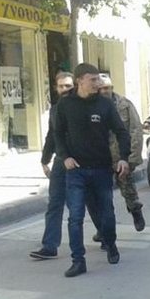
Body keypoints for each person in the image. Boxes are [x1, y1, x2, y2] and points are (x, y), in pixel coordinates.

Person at [52, 63, 131, 277]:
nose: (97, 83)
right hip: (75, 170)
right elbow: (57, 133)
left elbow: (121, 132)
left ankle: (111, 244)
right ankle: (78, 260)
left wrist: (123, 158)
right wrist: (64, 156)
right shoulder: (65, 104)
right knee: (75, 216)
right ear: (80, 80)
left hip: (101, 169)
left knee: (106, 212)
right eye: (93, 79)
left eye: (98, 79)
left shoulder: (105, 105)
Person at [29, 71, 75, 260]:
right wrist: (44, 159)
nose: (64, 90)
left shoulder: (81, 106)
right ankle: (49, 246)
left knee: (81, 203)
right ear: (55, 87)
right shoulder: (55, 109)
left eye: (68, 86)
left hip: (80, 162)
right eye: (61, 86)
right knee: (55, 202)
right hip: (60, 161)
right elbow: (51, 135)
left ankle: (106, 237)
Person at [97, 74, 145, 232]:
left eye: (108, 88)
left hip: (121, 157)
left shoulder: (124, 105)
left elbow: (136, 129)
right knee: (102, 197)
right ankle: (103, 229)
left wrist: (133, 157)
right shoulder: (92, 106)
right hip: (100, 158)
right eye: (102, 88)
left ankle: (135, 211)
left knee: (128, 189)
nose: (106, 91)